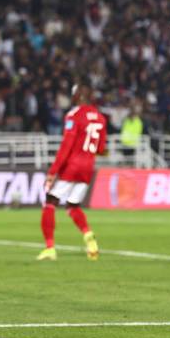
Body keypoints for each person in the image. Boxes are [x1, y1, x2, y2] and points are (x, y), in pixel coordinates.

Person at [37, 80, 107, 261]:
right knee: (73, 205)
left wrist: (53, 172)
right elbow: (101, 149)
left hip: (72, 165)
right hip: (87, 168)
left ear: (77, 96)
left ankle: (50, 248)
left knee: (50, 202)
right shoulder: (100, 117)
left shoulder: (73, 115)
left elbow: (66, 146)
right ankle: (88, 236)